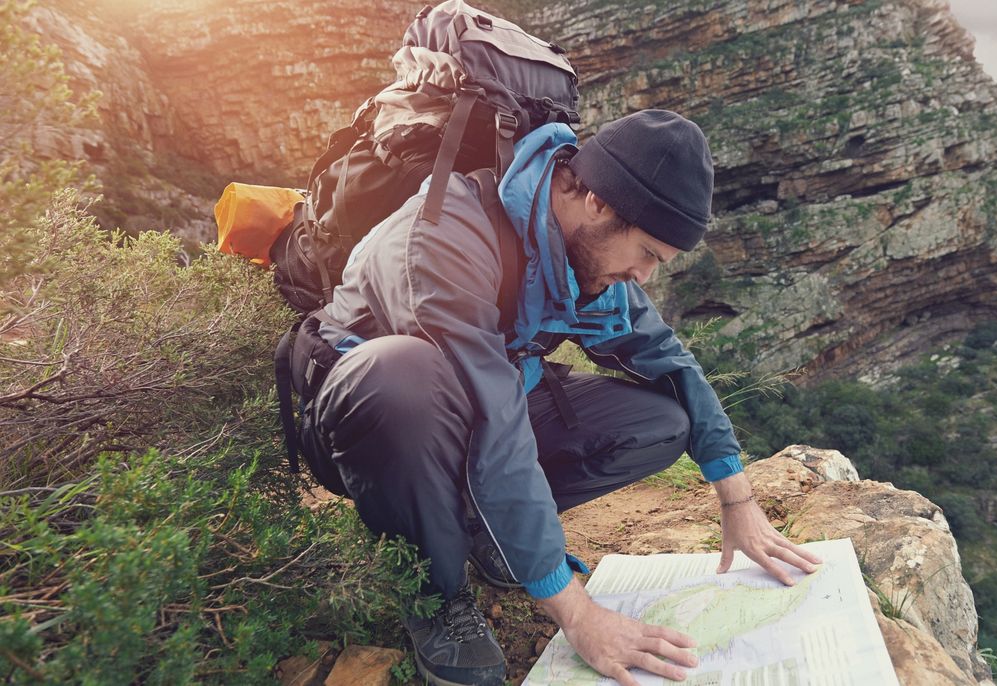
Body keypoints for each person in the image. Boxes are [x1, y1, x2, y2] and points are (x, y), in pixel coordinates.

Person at [299, 109, 823, 686]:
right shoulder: (444, 239)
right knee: (400, 374)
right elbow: (494, 424)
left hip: (484, 401)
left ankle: (480, 529)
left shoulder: (584, 251)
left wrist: (737, 500)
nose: (646, 276)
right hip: (373, 421)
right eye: (647, 253)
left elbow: (668, 359)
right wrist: (577, 614)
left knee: (661, 421)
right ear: (598, 202)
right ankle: (437, 596)